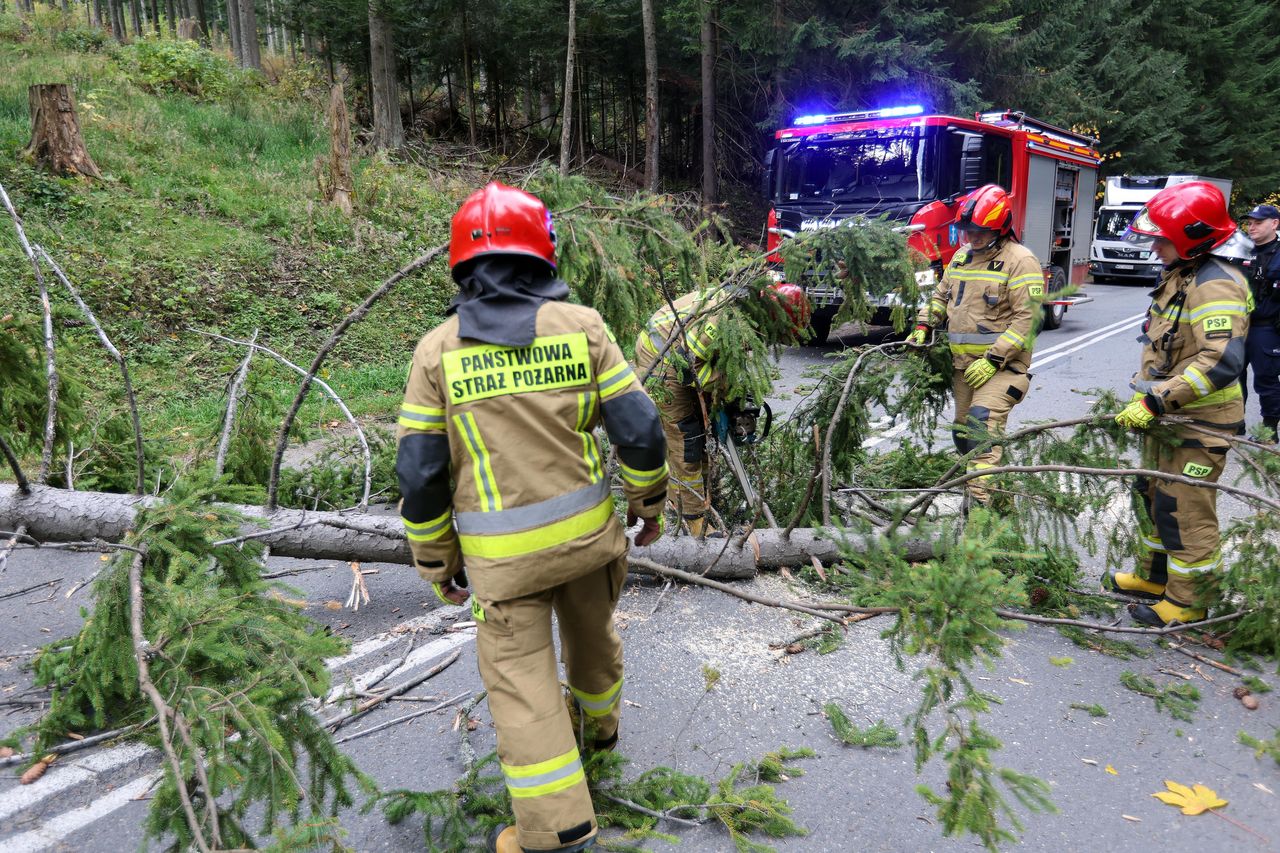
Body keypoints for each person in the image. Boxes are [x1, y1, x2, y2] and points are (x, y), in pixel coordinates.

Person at [395, 182, 668, 853]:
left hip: (503, 564)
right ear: (544, 255)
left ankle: (556, 829)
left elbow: (422, 473)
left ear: (463, 264)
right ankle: (600, 739)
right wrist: (648, 502)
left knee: (522, 685)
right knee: (593, 639)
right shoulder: (585, 328)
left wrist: (437, 560)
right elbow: (640, 430)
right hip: (589, 542)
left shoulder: (438, 352)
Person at [1106, 181, 1249, 627]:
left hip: (1200, 422)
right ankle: (1154, 578)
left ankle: (1189, 602)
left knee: (1185, 509)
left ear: (1192, 239)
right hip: (1171, 417)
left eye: (1161, 240)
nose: (1153, 248)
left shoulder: (1216, 285)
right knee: (1153, 498)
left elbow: (1220, 360)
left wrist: (1158, 401)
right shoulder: (1184, 273)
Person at [907, 183, 1045, 508]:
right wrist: (924, 324)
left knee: (980, 432)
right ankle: (996, 501)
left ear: (1000, 227)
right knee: (963, 436)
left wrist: (994, 358)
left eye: (981, 231)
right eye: (968, 230)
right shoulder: (962, 256)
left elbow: (1029, 320)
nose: (974, 237)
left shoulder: (1021, 262)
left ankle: (978, 528)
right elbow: (941, 296)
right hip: (963, 368)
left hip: (1002, 369)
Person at [632, 283, 808, 536]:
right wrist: (726, 390)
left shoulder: (747, 317)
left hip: (684, 357)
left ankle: (697, 499)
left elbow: (721, 359)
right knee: (687, 439)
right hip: (662, 359)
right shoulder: (725, 318)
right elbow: (689, 366)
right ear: (771, 315)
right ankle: (692, 520)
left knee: (701, 436)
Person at [1241, 203, 1280, 441]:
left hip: (1266, 326)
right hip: (1238, 326)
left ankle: (1269, 430)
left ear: (1274, 223)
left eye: (1258, 222)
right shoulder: (1241, 251)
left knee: (1266, 379)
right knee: (1232, 377)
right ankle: (1234, 426)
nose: (1251, 227)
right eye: (1250, 222)